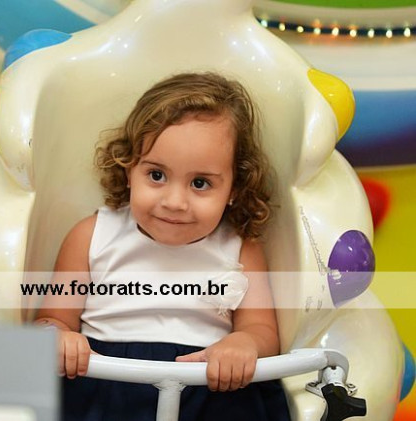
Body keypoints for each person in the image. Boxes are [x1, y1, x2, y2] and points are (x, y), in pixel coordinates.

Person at [34, 72, 290, 421]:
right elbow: (52, 318)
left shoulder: (240, 248)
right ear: (129, 168)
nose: (174, 202)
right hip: (104, 385)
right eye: (156, 175)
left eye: (200, 183)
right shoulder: (91, 235)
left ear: (234, 188)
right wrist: (59, 337)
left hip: (208, 387)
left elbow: (262, 330)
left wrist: (243, 344)